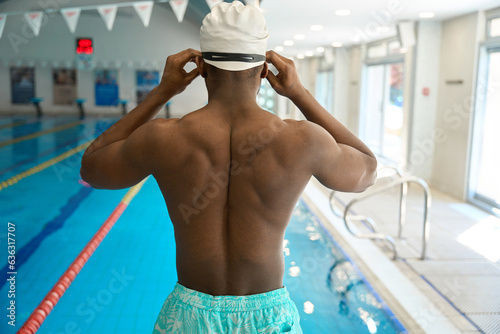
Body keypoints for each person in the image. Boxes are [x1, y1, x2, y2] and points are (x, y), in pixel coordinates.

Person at [80, 2, 377, 333]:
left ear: (203, 69)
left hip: (189, 315)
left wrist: (162, 92)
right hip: (269, 318)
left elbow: (92, 167)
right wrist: (299, 93)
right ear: (265, 70)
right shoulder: (303, 140)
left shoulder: (163, 139)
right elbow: (367, 170)